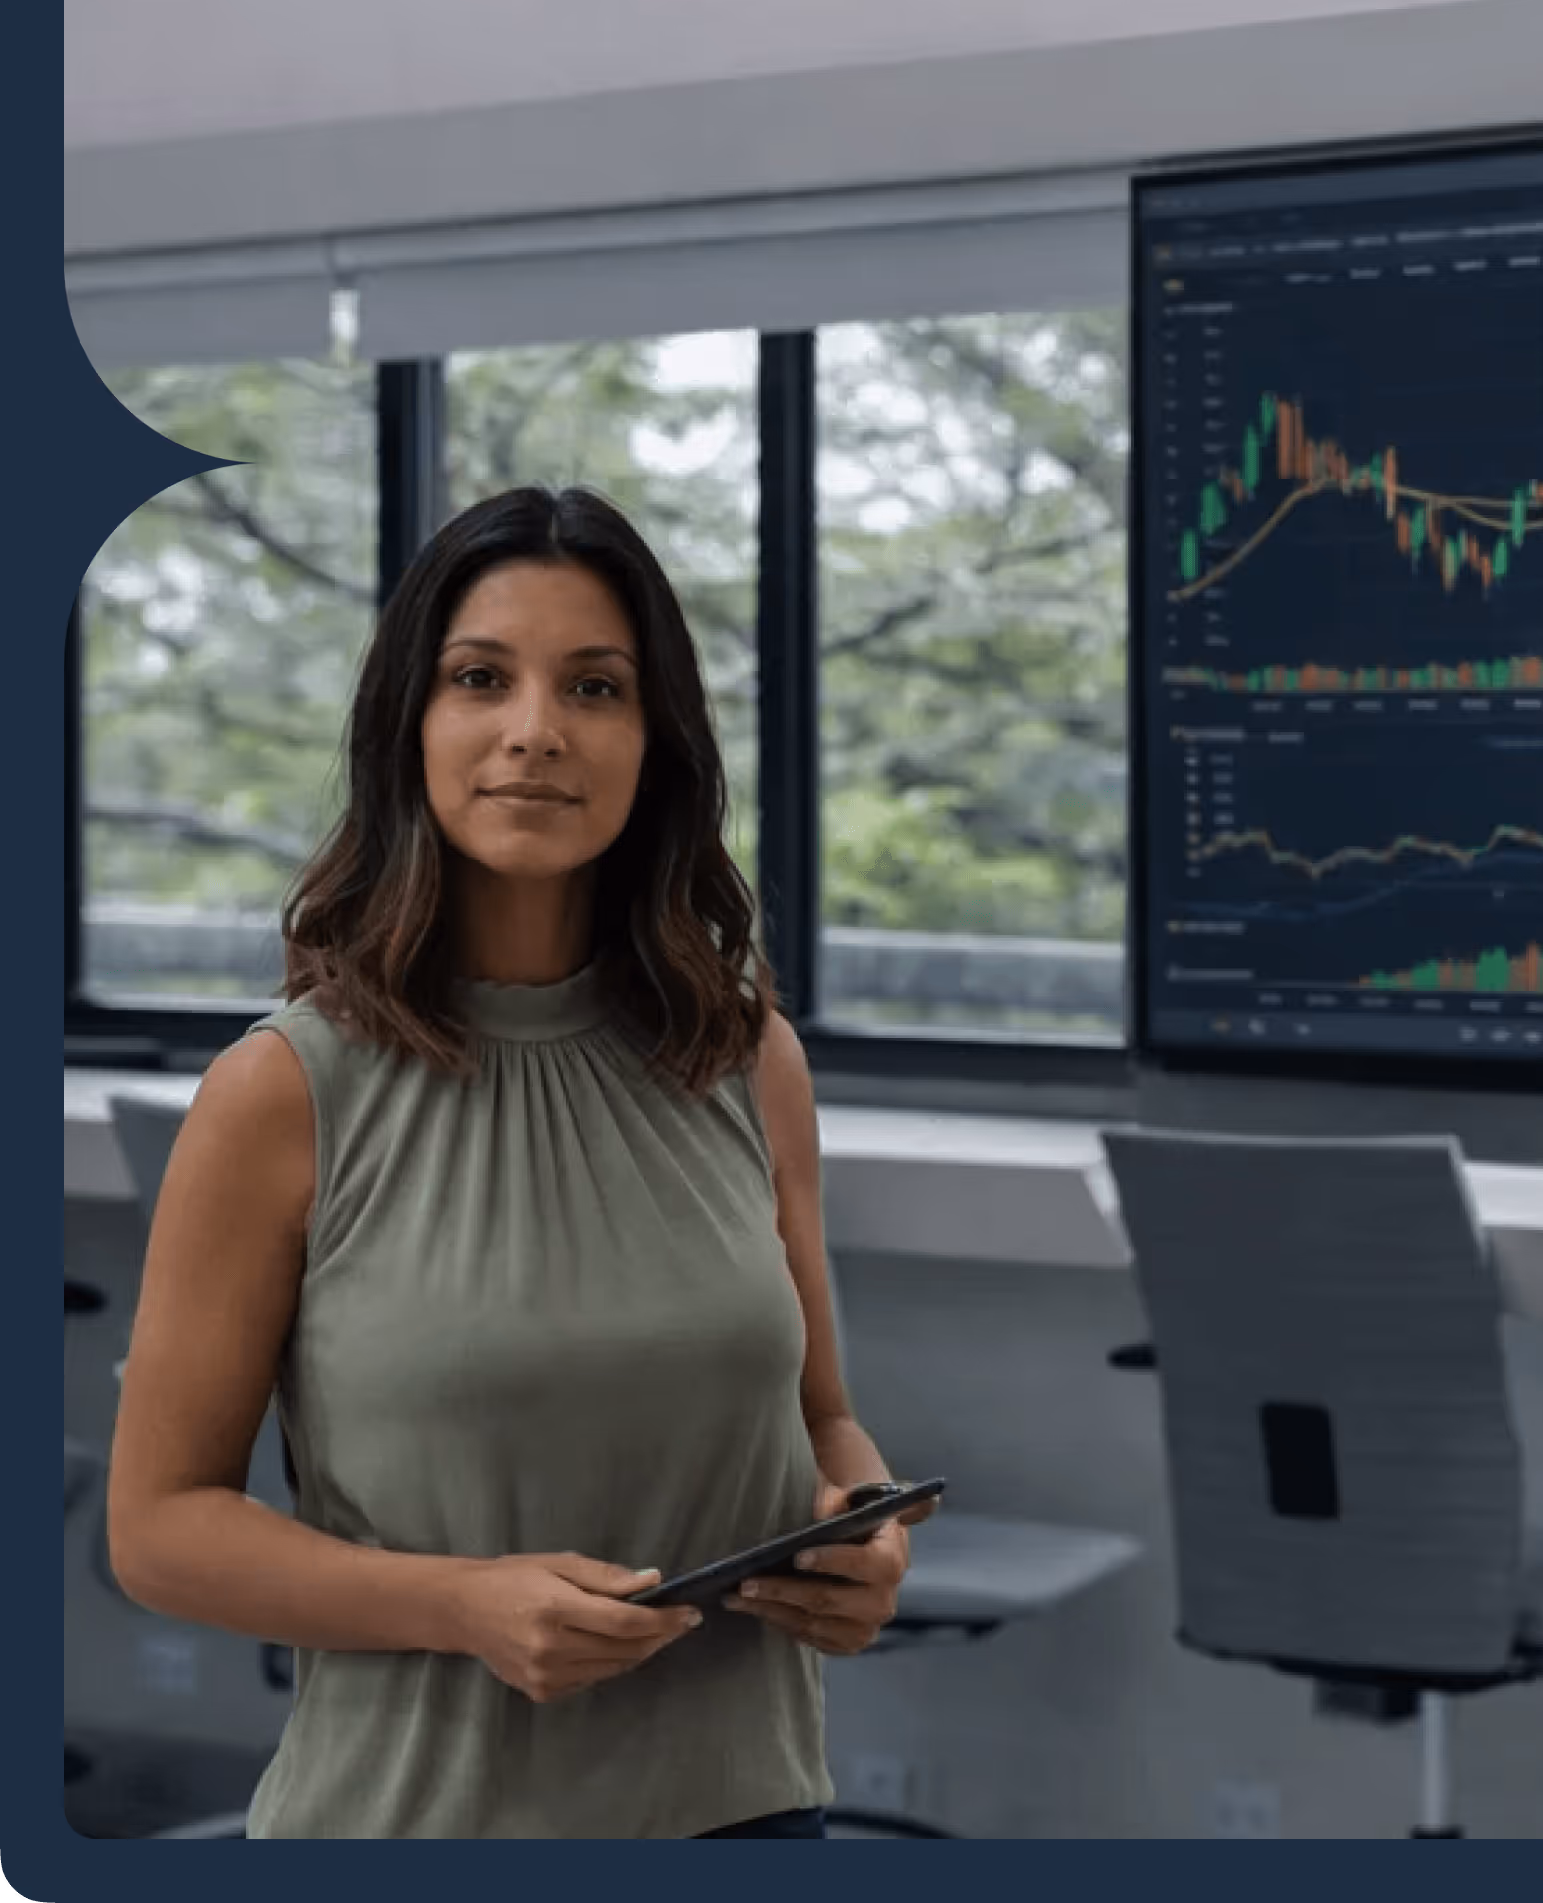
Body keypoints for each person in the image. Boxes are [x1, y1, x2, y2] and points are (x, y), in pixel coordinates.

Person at [107, 485, 937, 1839]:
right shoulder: (282, 1094)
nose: (536, 732)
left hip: (756, 1819)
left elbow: (823, 1420)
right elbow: (157, 1530)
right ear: (411, 726)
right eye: (481, 678)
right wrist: (461, 1605)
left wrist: (861, 1527)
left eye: (596, 687)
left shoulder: (744, 1058)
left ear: (654, 739)